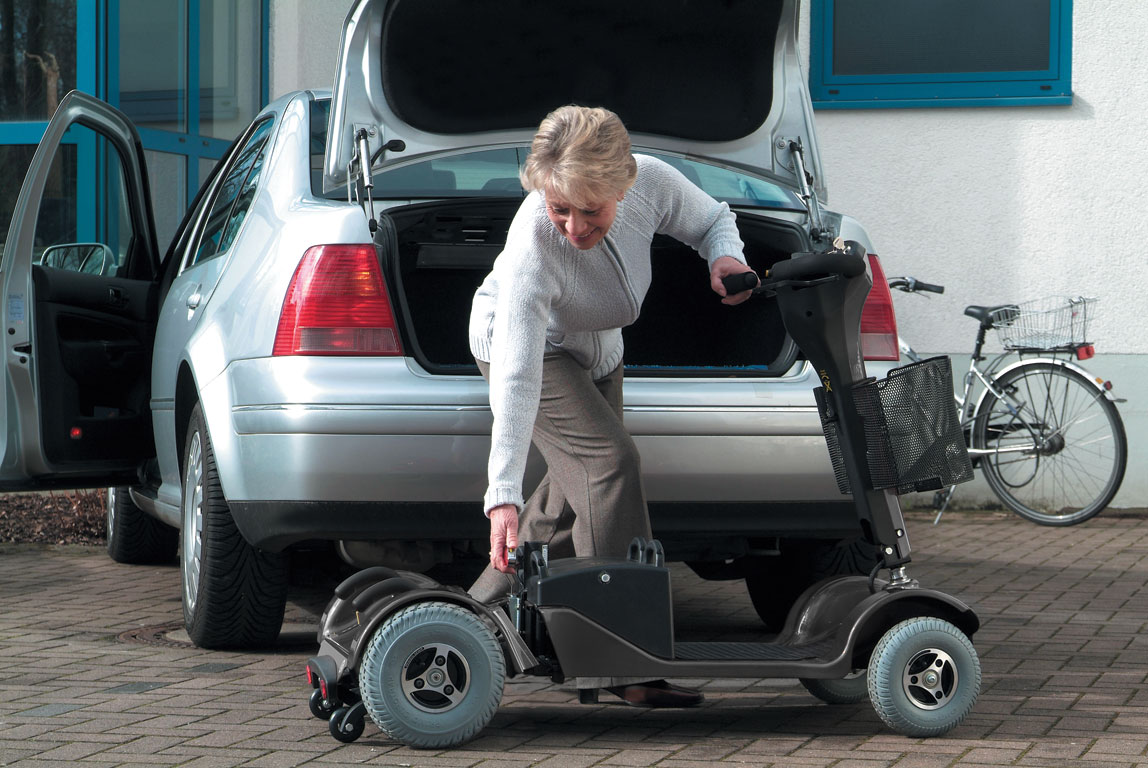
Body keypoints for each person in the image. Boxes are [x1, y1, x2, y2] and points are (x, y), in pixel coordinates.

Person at [468, 105, 756, 708]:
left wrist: (725, 258)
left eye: (590, 210)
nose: (572, 226)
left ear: (623, 185)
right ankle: (625, 665)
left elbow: (713, 220)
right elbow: (516, 376)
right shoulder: (532, 248)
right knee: (609, 467)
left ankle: (466, 621)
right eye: (559, 208)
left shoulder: (650, 180)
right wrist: (501, 494)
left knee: (573, 502)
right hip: (525, 352)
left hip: (598, 351)